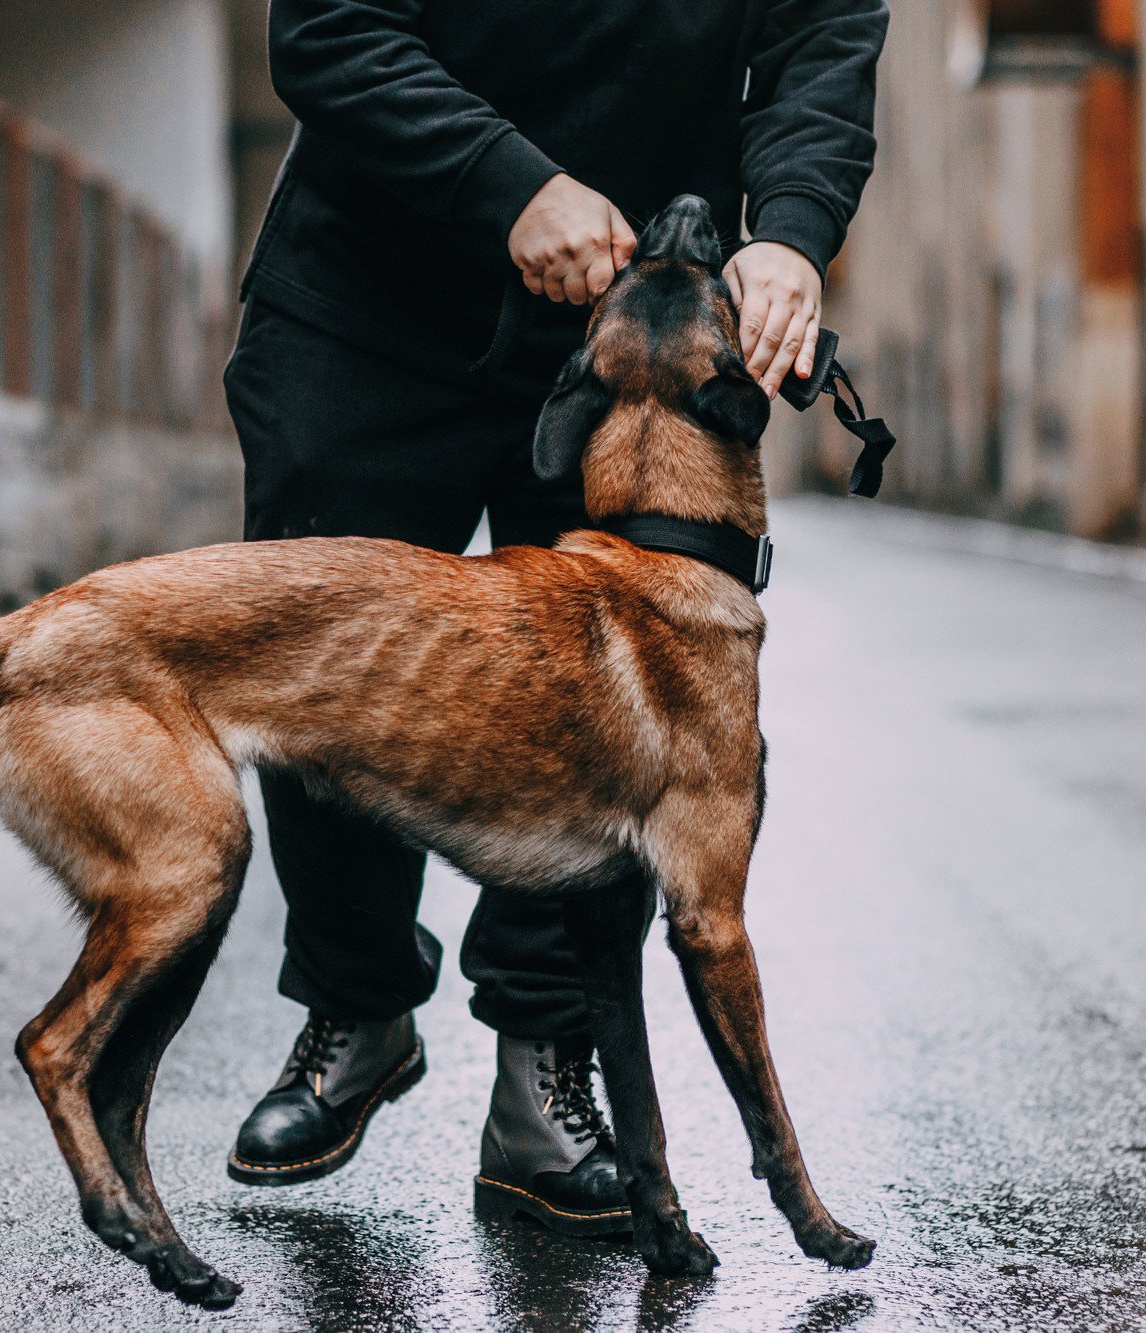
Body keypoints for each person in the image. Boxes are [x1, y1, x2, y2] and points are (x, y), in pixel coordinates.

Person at [220, 0, 888, 1232]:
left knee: (600, 712)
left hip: (628, 326)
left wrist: (790, 232)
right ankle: (356, 1003)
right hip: (369, 299)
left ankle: (542, 1070)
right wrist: (507, 181)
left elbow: (820, 38)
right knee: (321, 657)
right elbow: (327, 30)